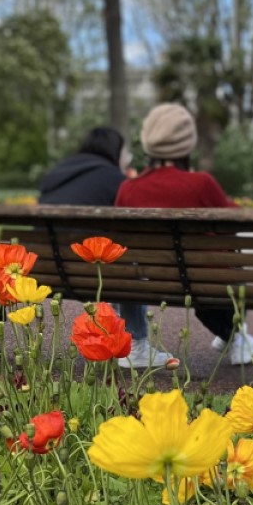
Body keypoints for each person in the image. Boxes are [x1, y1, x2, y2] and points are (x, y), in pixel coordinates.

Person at [117, 102, 253, 366]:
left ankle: (231, 337)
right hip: (203, 284)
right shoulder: (201, 183)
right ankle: (234, 335)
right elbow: (236, 220)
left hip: (145, 281)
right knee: (224, 262)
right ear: (188, 143)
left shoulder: (128, 189)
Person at [38, 127, 169, 369]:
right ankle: (137, 344)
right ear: (116, 151)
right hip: (99, 270)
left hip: (50, 270)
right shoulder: (114, 180)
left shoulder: (55, 175)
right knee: (130, 258)